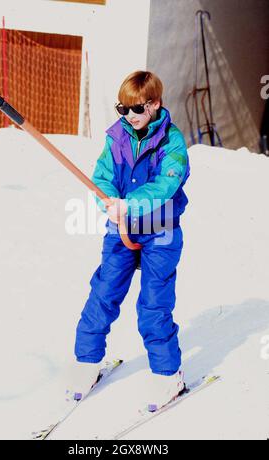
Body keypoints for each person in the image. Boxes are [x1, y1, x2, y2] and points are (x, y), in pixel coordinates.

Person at [69, 70, 190, 410]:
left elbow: (167, 184)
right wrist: (108, 203)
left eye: (137, 109)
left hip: (160, 229)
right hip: (121, 227)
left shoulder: (172, 142)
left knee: (153, 304)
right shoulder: (117, 137)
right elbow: (102, 177)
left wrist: (130, 204)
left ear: (155, 104)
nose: (130, 117)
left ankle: (168, 374)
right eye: (123, 109)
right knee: (103, 293)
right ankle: (86, 363)